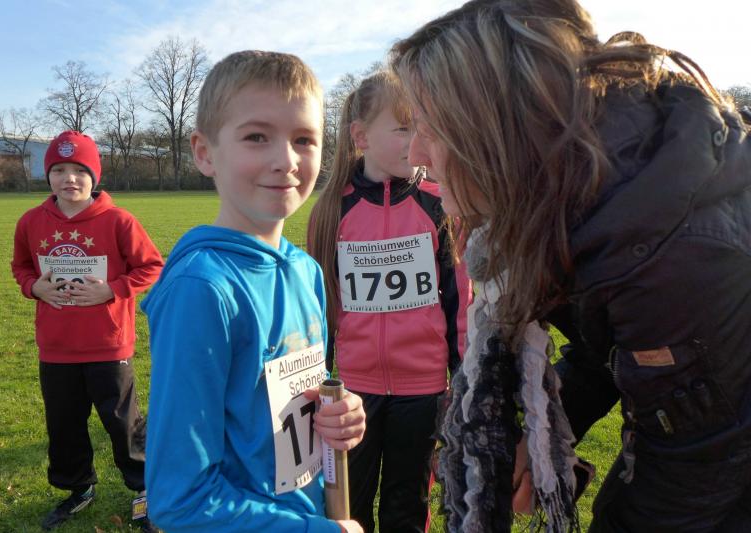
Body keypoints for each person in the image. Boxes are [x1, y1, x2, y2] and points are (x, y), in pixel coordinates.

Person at [390, 0, 751, 531]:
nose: (415, 154)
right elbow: (605, 347)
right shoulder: (584, 199)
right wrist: (541, 436)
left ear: (497, 128)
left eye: (431, 127)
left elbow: (696, 468)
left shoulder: (671, 248)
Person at [141, 50, 366, 533]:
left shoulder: (306, 270)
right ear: (204, 152)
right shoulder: (201, 290)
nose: (286, 161)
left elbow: (289, 402)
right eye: (257, 137)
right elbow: (181, 501)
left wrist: (337, 413)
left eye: (304, 139)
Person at [307, 71, 471, 532]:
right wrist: (319, 382)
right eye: (403, 128)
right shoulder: (332, 211)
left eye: (422, 127)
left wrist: (463, 378)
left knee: (406, 507)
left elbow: (459, 302)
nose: (415, 141)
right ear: (361, 137)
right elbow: (319, 309)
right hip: (352, 392)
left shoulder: (439, 205)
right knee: (348, 508)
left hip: (423, 390)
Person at [11, 130, 164, 532]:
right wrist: (34, 287)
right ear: (48, 175)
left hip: (108, 345)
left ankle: (146, 487)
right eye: (59, 170)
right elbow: (21, 266)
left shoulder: (119, 220)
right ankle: (78, 487)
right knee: (64, 423)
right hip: (56, 346)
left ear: (94, 176)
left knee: (123, 422)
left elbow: (151, 266)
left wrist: (111, 290)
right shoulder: (31, 222)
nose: (69, 179)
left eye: (79, 170)